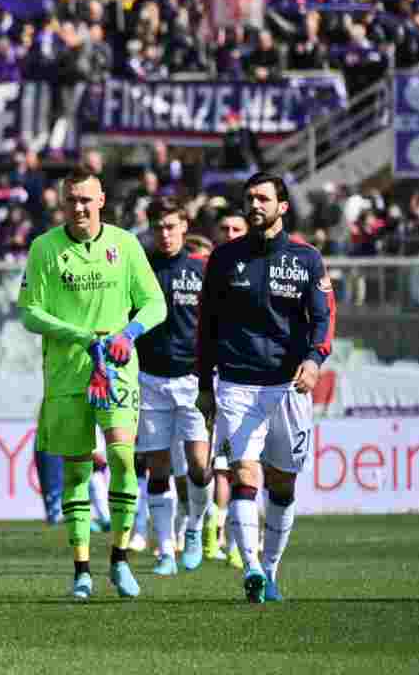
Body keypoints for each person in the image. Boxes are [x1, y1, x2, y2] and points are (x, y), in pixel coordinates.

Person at [17, 166, 166, 600]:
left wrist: (128, 334)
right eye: (71, 200)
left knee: (122, 458)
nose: (79, 207)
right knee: (77, 470)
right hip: (68, 372)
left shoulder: (126, 244)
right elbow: (30, 311)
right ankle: (81, 568)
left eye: (86, 199)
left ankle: (119, 559)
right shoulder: (45, 248)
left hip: (117, 368)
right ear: (62, 203)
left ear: (101, 200)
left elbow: (154, 303)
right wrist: (81, 336)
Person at [196, 172, 335, 603]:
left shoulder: (307, 259)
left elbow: (324, 319)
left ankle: (270, 569)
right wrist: (205, 384)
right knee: (244, 472)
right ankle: (252, 569)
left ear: (282, 206)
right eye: (248, 199)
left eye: (262, 198)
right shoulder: (223, 259)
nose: (253, 205)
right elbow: (207, 328)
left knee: (282, 484)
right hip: (236, 383)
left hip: (288, 388)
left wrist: (314, 360)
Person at [135, 196, 213, 575]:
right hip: (149, 379)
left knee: (199, 467)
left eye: (172, 226)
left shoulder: (202, 271)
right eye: (159, 227)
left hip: (192, 380)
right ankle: (166, 550)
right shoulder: (142, 271)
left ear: (185, 225)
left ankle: (195, 528)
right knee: (158, 470)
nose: (165, 234)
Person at [209, 207, 249, 566]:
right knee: (225, 465)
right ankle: (218, 532)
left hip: (268, 380)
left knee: (254, 467)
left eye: (238, 227)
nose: (232, 233)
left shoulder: (265, 267)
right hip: (225, 380)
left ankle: (239, 539)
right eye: (226, 228)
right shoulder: (214, 270)